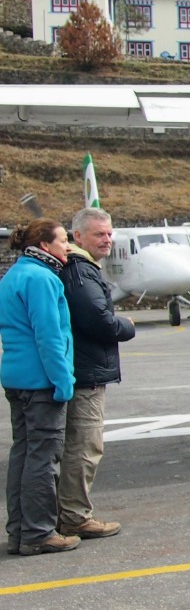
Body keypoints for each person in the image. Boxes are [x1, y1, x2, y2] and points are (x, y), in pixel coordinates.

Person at [56, 207, 135, 543]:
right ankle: (74, 516)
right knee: (85, 446)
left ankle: (68, 513)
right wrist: (126, 326)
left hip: (83, 369)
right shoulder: (81, 271)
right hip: (85, 373)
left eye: (109, 233)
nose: (107, 239)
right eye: (99, 234)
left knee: (78, 445)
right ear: (77, 237)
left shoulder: (78, 269)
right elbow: (98, 320)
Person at [0, 219, 77, 556]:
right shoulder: (43, 279)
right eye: (63, 240)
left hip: (16, 379)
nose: (68, 246)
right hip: (41, 382)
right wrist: (64, 382)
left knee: (23, 453)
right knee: (44, 459)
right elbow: (50, 336)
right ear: (45, 246)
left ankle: (18, 531)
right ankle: (39, 532)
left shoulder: (14, 274)